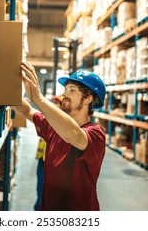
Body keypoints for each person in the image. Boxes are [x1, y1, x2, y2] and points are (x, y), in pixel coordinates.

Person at [12, 61, 106, 211]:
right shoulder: (54, 125)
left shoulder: (96, 134)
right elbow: (27, 111)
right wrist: (6, 91)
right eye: (65, 89)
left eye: (72, 90)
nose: (64, 94)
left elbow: (73, 135)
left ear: (88, 99)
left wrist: (39, 98)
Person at [34, 95, 62, 211]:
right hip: (42, 160)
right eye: (54, 102)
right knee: (40, 192)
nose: (55, 105)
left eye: (58, 103)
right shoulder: (48, 118)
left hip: (53, 165)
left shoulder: (63, 124)